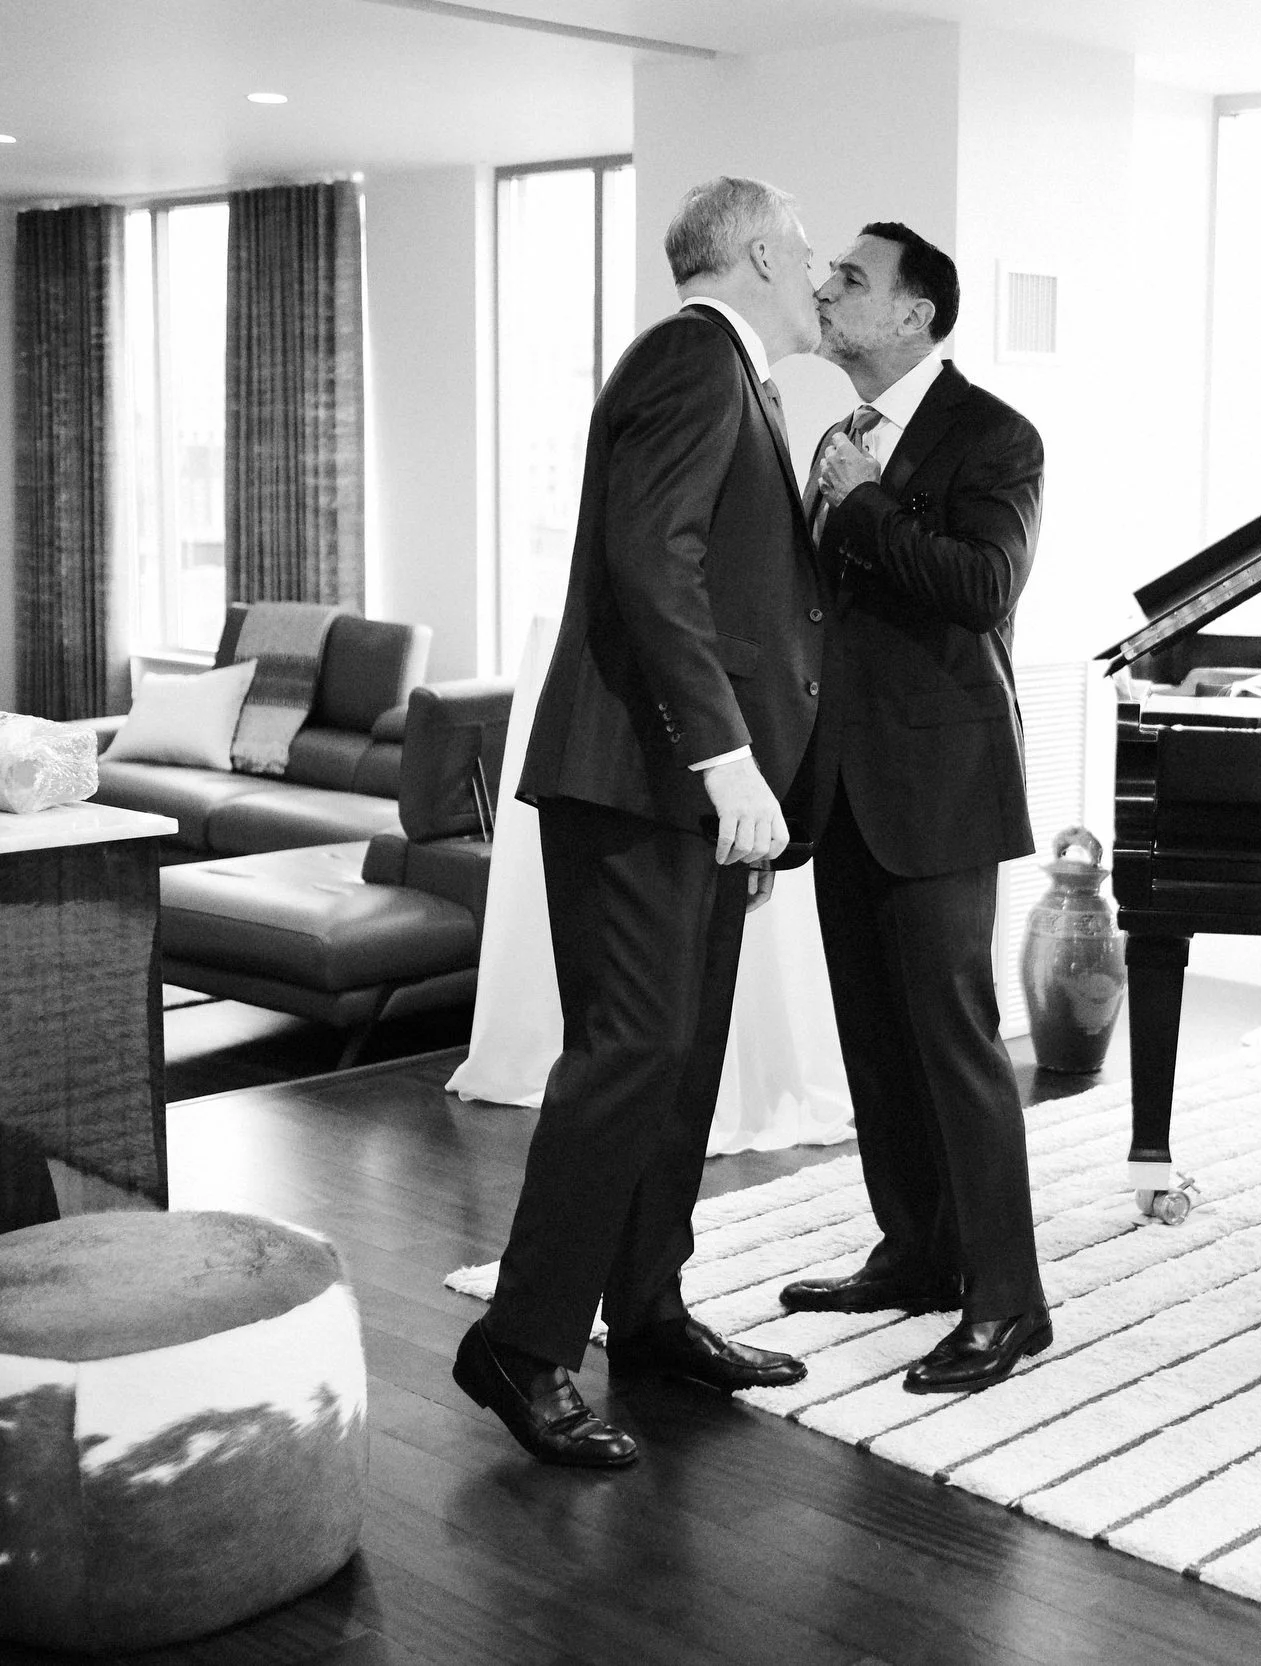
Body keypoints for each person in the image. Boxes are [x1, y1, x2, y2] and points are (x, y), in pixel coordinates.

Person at [455, 177, 825, 1467]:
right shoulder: (687, 357)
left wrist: (751, 792)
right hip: (642, 778)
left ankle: (649, 1312)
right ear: (765, 252)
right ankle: (524, 1338)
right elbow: (649, 561)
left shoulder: (730, 373)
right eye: (809, 249)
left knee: (678, 1059)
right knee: (627, 1056)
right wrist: (728, 763)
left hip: (692, 797)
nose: (820, 274)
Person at [777, 222, 1051, 1393]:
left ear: (914, 316)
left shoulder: (994, 435)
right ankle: (916, 1253)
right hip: (841, 782)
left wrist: (871, 503)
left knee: (953, 1041)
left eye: (850, 277)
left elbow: (984, 588)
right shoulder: (836, 430)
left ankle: (1008, 1300)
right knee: (874, 1040)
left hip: (942, 783)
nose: (826, 289)